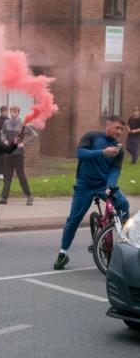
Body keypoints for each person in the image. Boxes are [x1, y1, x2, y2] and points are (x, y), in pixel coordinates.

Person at [54, 115, 130, 270]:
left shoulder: (118, 148)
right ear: (108, 125)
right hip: (85, 185)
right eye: (118, 128)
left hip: (104, 185)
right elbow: (80, 154)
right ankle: (62, 254)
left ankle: (125, 243)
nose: (120, 132)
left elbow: (115, 170)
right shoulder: (92, 136)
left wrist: (110, 185)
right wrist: (102, 152)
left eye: (122, 129)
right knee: (74, 219)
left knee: (124, 205)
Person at [0, 106, 37, 205]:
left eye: (14, 111)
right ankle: (3, 197)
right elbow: (2, 133)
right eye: (11, 111)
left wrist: (23, 143)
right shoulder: (6, 123)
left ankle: (29, 196)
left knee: (21, 176)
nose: (12, 113)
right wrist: (4, 140)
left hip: (18, 154)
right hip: (8, 153)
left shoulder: (23, 124)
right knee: (7, 176)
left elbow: (34, 135)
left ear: (18, 112)